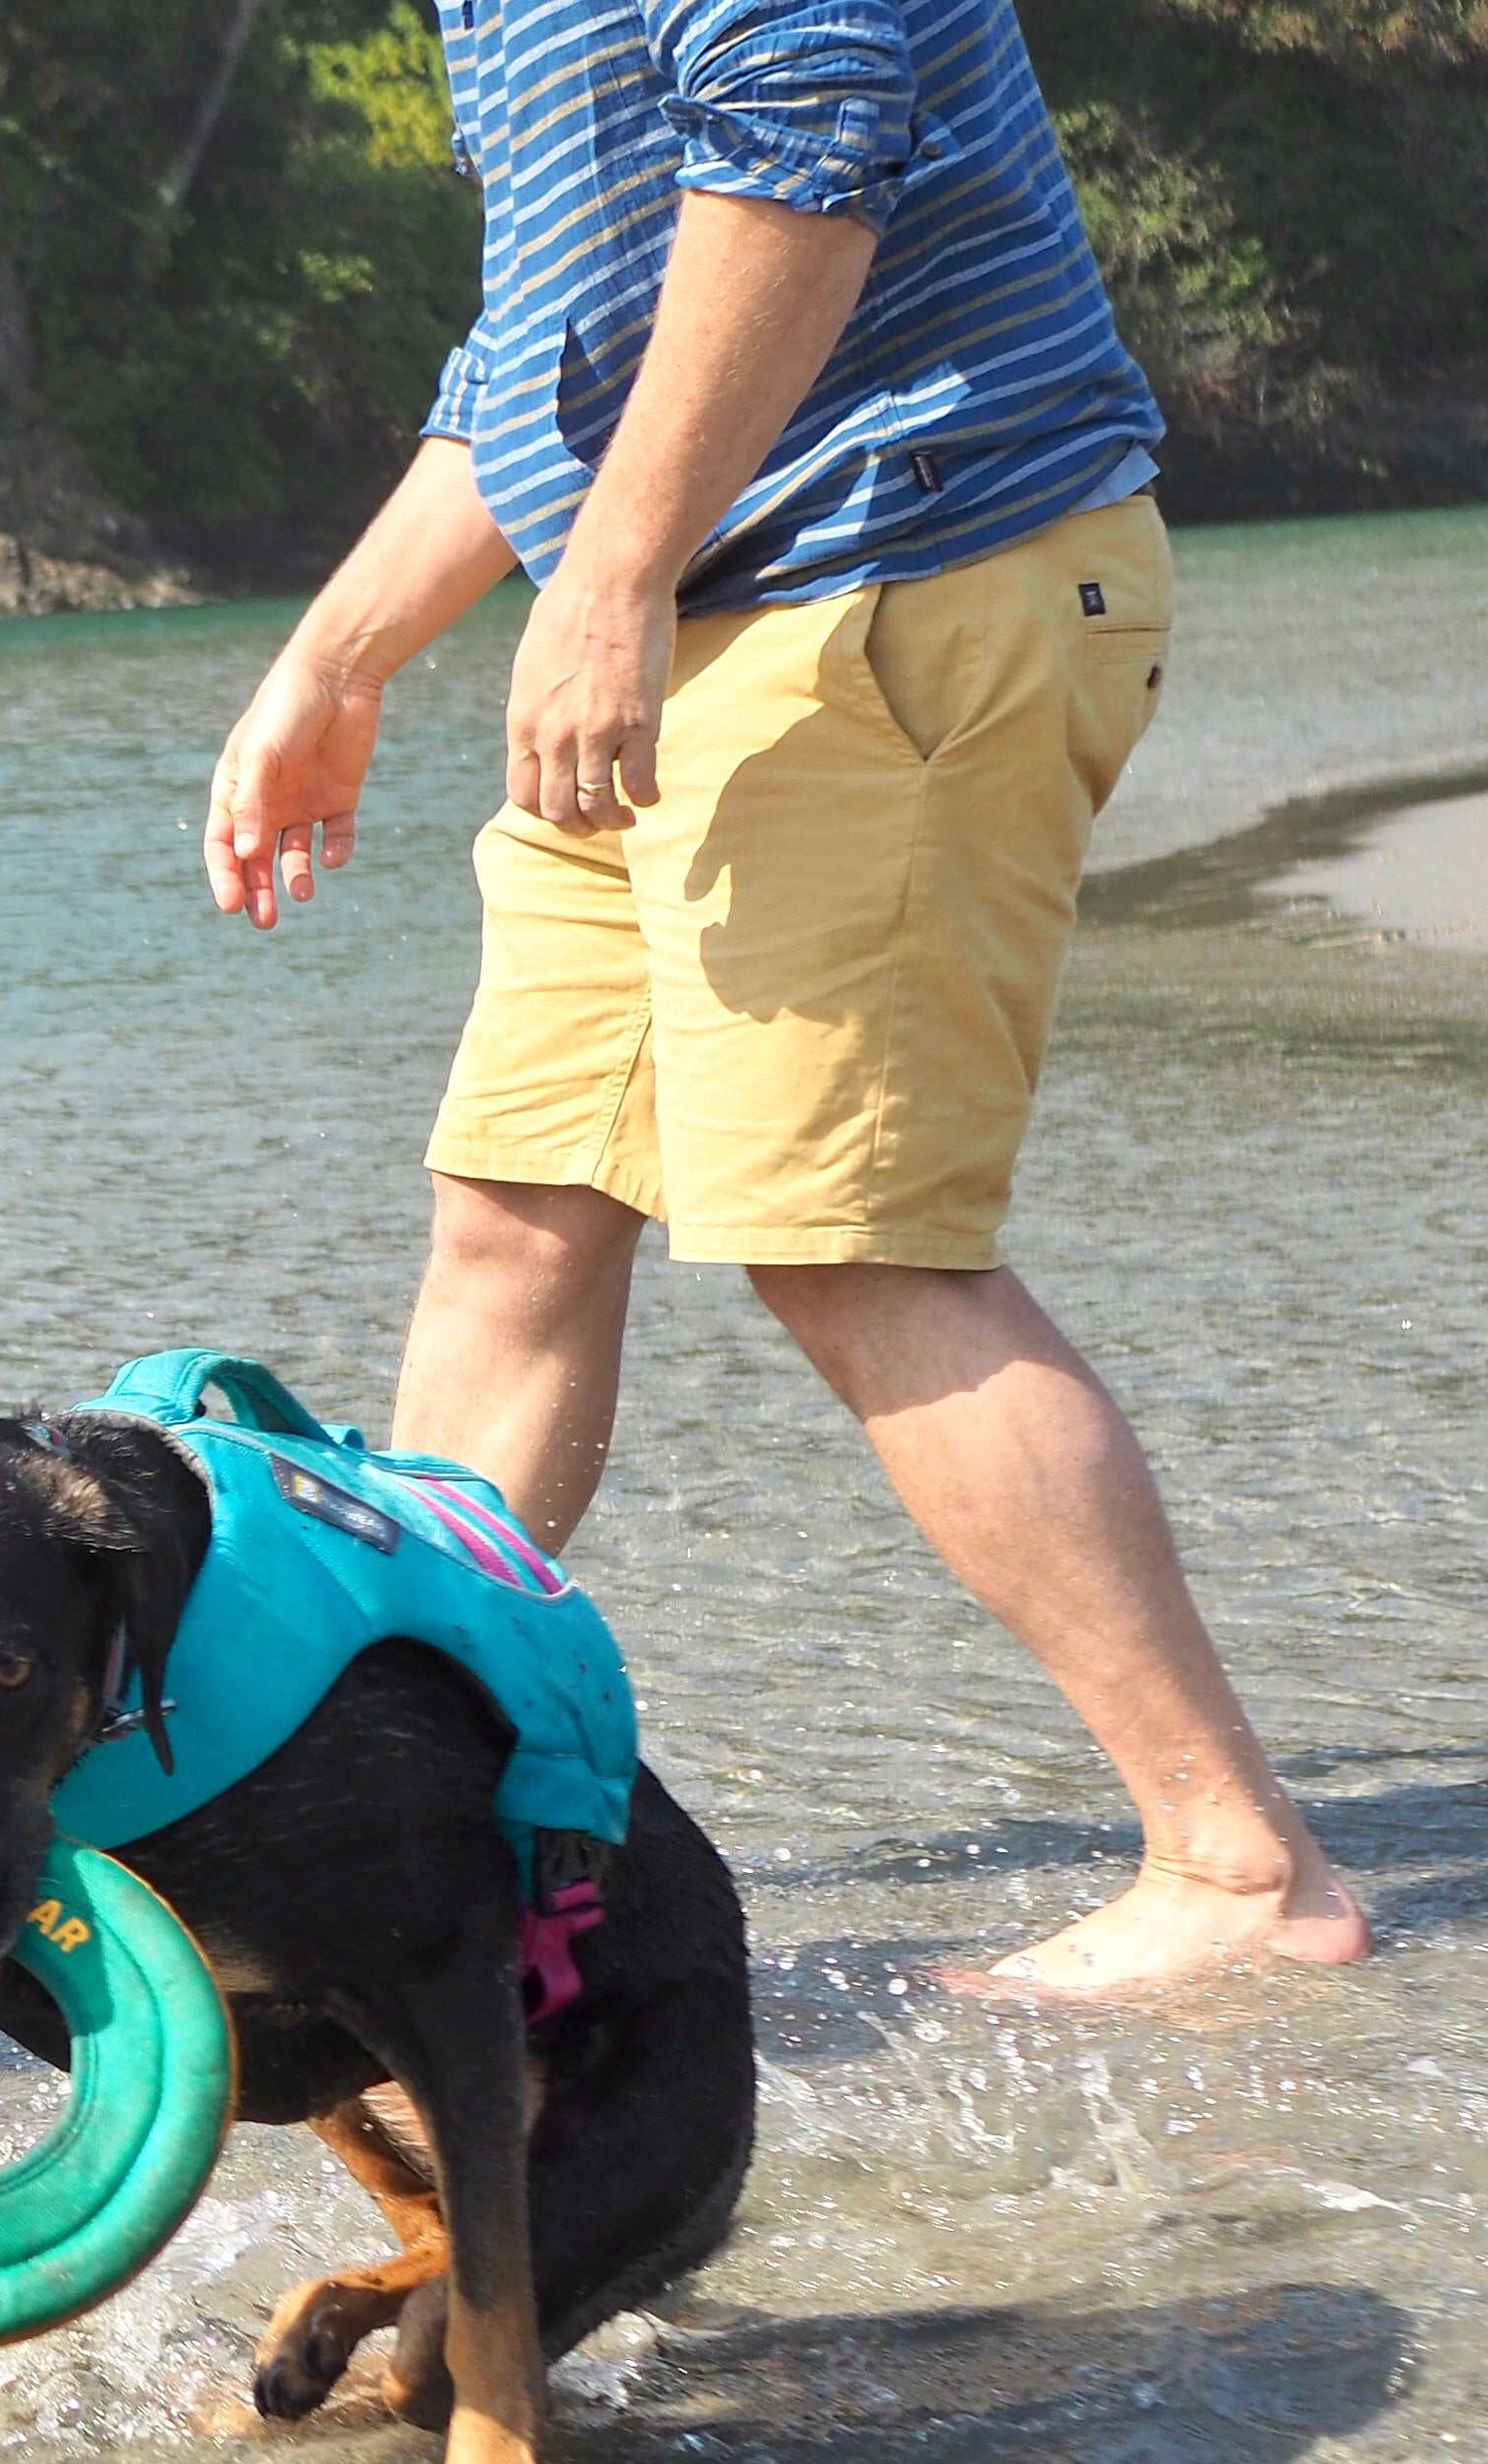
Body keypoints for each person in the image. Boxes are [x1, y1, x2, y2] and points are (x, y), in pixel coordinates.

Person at [200, 0, 1365, 1987]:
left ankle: (1241, 1870)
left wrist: (606, 579)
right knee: (518, 1217)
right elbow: (551, 340)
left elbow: (808, 139)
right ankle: (403, 1811)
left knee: (853, 1243)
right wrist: (341, 657)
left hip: (894, 578)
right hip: (682, 624)